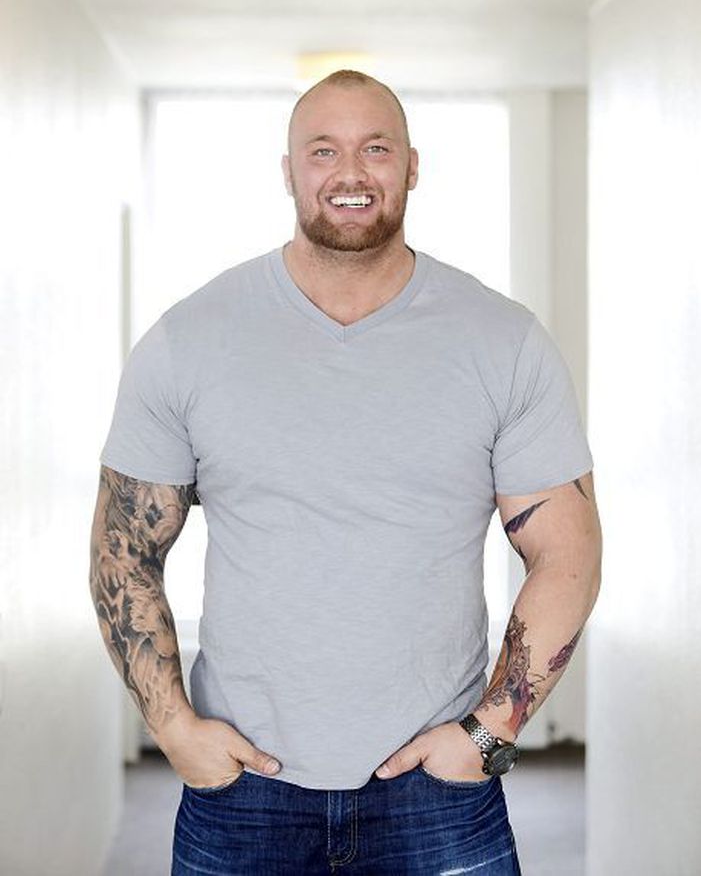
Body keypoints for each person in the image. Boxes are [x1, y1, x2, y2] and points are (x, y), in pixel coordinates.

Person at [90, 69, 602, 875]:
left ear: (412, 166)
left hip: (439, 790)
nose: (351, 172)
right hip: (244, 791)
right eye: (323, 150)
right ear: (288, 171)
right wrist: (173, 727)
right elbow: (123, 549)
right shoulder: (188, 339)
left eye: (376, 148)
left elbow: (566, 552)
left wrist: (488, 734)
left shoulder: (503, 341)